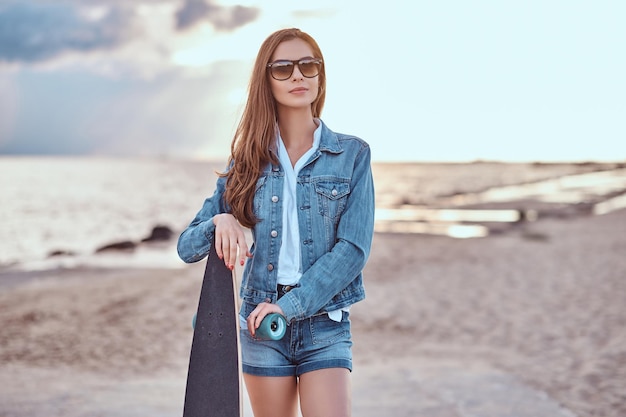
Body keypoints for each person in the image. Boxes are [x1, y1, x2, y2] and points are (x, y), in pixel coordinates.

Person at [177, 27, 375, 417]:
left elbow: (353, 249)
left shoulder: (352, 154)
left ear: (320, 75)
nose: (298, 76)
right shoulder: (246, 161)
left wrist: (290, 307)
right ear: (266, 80)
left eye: (308, 65)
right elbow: (187, 247)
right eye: (283, 68)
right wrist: (221, 220)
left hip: (325, 322)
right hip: (258, 326)